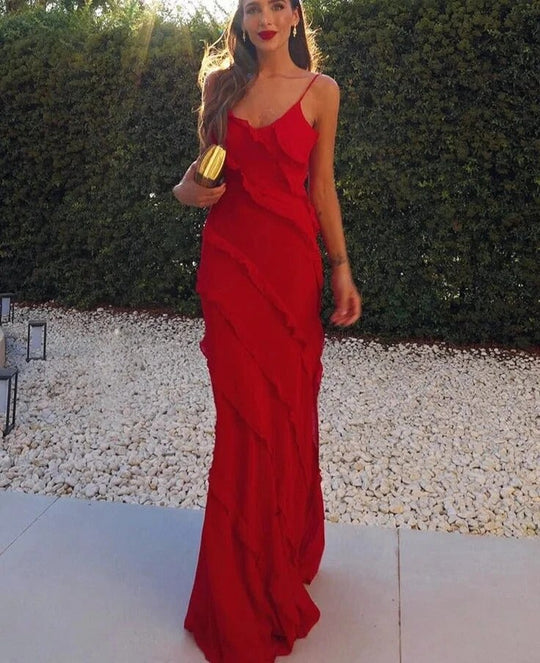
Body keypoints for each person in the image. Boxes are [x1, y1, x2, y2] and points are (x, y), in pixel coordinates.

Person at [173, 0, 361, 660]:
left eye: (279, 4)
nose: (266, 17)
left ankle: (285, 547)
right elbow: (200, 175)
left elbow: (322, 187)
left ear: (296, 16)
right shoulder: (220, 86)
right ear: (243, 18)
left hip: (289, 276)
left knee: (286, 415)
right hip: (229, 272)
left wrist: (341, 267)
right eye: (254, 5)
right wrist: (187, 191)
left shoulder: (322, 91)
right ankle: (239, 590)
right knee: (241, 422)